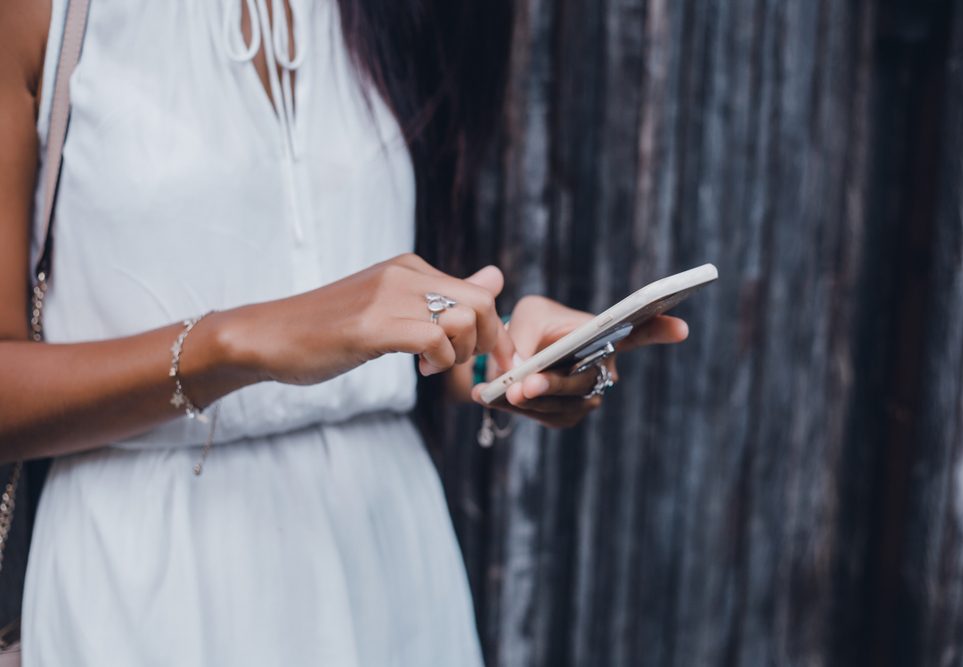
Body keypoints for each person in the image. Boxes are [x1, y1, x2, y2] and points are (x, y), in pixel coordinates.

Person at [0, 0, 689, 664]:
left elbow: (386, 342)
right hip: (150, 577)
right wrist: (235, 343)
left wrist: (505, 358)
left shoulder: (383, 12)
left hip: (388, 556)